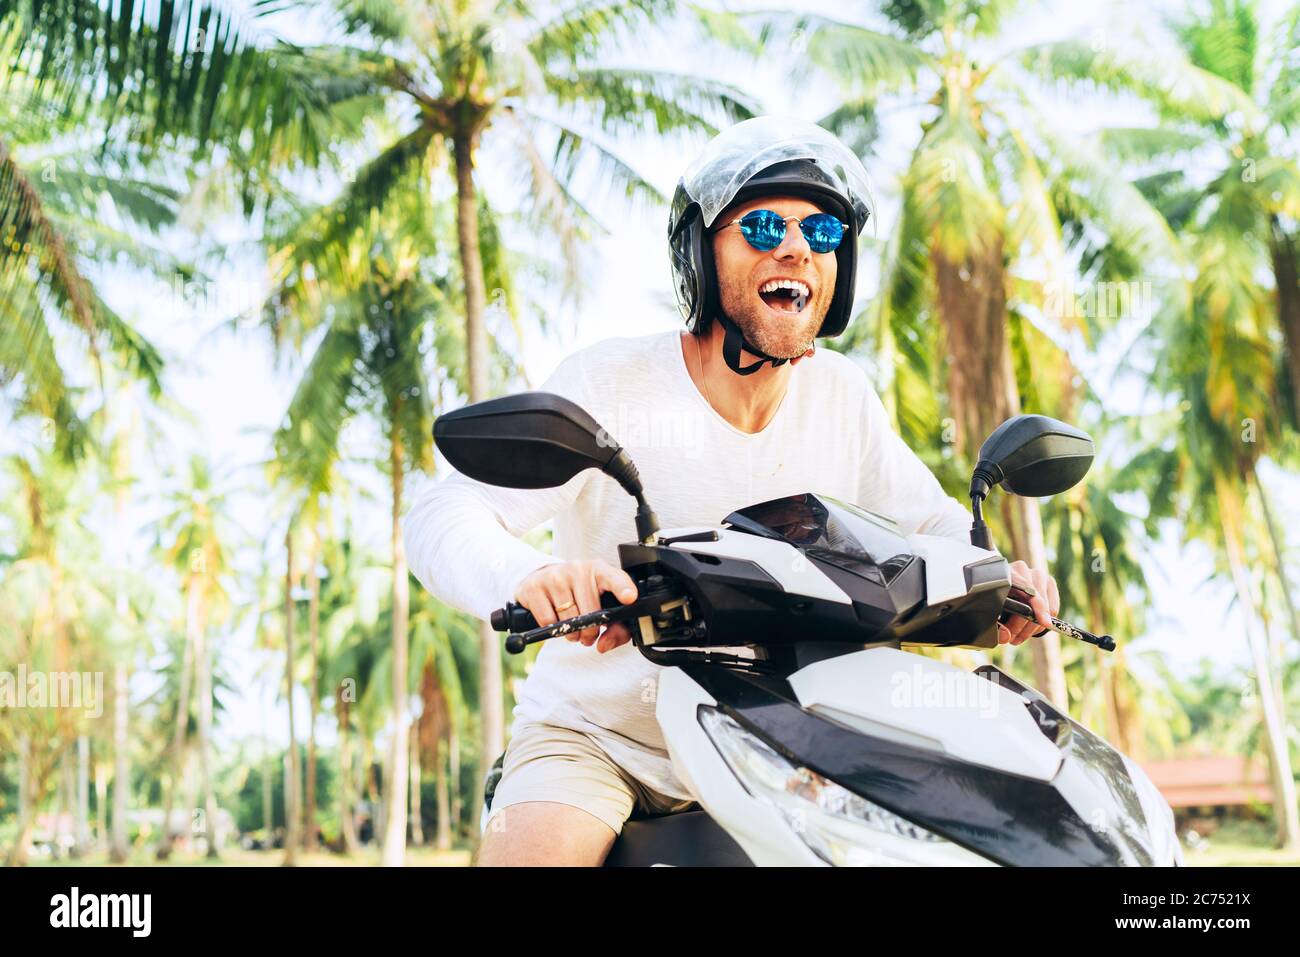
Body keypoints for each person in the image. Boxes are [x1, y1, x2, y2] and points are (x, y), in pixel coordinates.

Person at [404, 116, 1059, 866]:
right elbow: (442, 511)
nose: (795, 247)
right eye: (762, 226)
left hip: (790, 743)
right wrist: (530, 576)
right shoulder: (610, 382)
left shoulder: (843, 398)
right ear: (699, 254)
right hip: (603, 739)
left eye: (822, 232)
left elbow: (935, 527)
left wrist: (1001, 581)